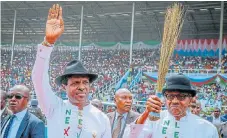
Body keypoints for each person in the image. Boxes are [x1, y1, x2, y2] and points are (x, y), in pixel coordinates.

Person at [32, 4, 111, 138]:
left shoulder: (102, 119)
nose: (81, 87)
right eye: (75, 83)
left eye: (85, 82)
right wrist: (48, 43)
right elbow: (38, 79)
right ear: (64, 86)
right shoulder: (54, 108)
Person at [123, 74, 219, 138]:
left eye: (182, 96)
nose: (175, 101)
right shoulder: (154, 121)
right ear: (165, 98)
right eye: (170, 96)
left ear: (190, 100)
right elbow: (130, 136)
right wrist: (146, 113)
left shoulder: (207, 129)